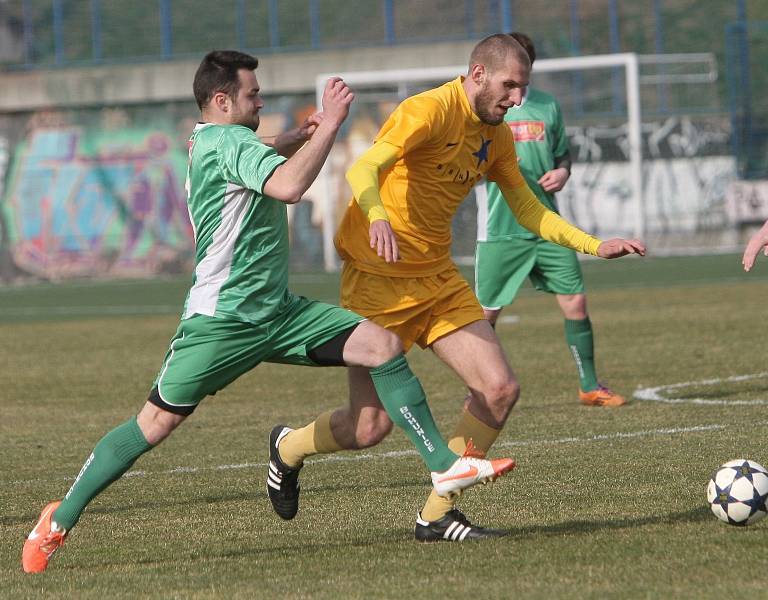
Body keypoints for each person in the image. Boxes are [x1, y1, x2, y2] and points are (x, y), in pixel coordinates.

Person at [21, 50, 514, 573]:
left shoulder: (208, 138)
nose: (261, 101)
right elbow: (289, 187)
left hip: (279, 312)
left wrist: (297, 137)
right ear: (222, 99)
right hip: (223, 322)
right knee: (153, 425)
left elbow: (260, 151)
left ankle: (443, 466)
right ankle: (58, 518)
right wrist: (332, 125)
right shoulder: (228, 142)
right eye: (253, 95)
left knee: (381, 344)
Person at [268, 34, 645, 543]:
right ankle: (289, 448)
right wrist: (377, 216)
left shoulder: (499, 137)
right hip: (378, 280)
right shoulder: (427, 110)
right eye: (509, 86)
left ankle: (437, 514)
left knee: (499, 389)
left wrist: (593, 245)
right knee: (367, 428)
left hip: (438, 278)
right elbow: (364, 167)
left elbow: (530, 208)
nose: (516, 99)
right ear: (478, 74)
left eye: (523, 88)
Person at [474, 32, 625, 407]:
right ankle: (477, 389)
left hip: (546, 224)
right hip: (501, 229)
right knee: (484, 315)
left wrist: (562, 174)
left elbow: (563, 156)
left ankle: (589, 384)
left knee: (575, 302)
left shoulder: (548, 106)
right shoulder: (486, 110)